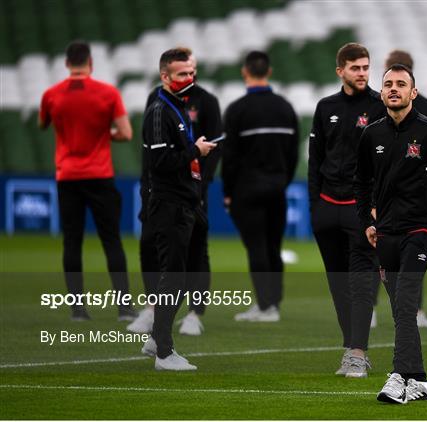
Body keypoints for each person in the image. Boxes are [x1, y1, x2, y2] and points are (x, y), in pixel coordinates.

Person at [355, 64, 427, 403]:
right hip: (386, 232)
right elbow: (361, 182)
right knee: (400, 309)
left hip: (420, 230)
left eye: (401, 84)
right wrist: (367, 221)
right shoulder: (371, 135)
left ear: (413, 93)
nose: (393, 89)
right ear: (381, 92)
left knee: (405, 301)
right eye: (388, 84)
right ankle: (419, 380)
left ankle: (397, 376)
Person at [39, 40, 137, 322]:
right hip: (100, 175)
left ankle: (78, 310)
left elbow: (43, 123)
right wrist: (104, 134)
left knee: (72, 242)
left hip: (67, 175)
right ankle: (124, 308)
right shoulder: (108, 93)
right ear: (90, 63)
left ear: (67, 63)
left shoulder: (51, 95)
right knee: (112, 241)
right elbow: (126, 133)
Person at [127, 47, 222, 336]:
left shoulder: (204, 101)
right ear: (165, 75)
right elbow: (157, 155)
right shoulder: (159, 105)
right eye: (183, 73)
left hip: (191, 191)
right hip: (163, 190)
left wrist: (200, 184)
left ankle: (194, 313)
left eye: (192, 71)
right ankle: (154, 315)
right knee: (151, 248)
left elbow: (215, 147)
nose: (189, 77)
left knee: (195, 253)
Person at [308, 43, 385, 378]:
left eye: (366, 67)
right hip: (328, 209)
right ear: (340, 70)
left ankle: (357, 353)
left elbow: (388, 161)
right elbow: (315, 161)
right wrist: (315, 207)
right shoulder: (326, 107)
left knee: (361, 284)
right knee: (338, 286)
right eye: (355, 68)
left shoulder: (380, 106)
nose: (362, 73)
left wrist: (379, 208)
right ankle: (351, 347)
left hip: (361, 212)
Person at [221, 51, 299, 322]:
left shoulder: (237, 109)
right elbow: (293, 154)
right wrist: (282, 181)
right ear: (269, 71)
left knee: (256, 247)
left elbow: (228, 157)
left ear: (245, 72)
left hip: (246, 189)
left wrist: (228, 192)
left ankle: (264, 306)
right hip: (276, 188)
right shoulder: (285, 107)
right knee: (273, 246)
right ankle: (273, 305)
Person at [369, 50, 427, 329]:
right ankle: (417, 310)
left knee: (379, 251)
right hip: (416, 193)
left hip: (386, 190)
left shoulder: (381, 102)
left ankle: (371, 308)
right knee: (415, 253)